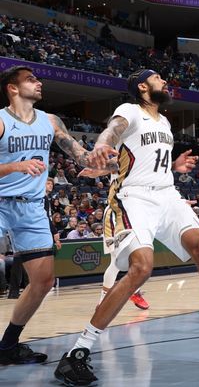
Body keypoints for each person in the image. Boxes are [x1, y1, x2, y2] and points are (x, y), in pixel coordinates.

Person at [53, 69, 199, 386]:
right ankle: (77, 353)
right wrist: (103, 145)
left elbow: (141, 160)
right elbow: (112, 132)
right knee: (141, 267)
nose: (164, 81)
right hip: (135, 197)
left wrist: (174, 167)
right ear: (143, 87)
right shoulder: (129, 111)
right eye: (158, 78)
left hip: (167, 194)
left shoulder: (166, 123)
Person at [0, 66, 104, 366]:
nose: (38, 82)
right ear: (13, 88)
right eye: (31, 79)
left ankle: (7, 346)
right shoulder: (1, 120)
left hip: (31, 207)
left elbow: (81, 156)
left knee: (43, 281)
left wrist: (104, 160)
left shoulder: (49, 121)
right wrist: (13, 167)